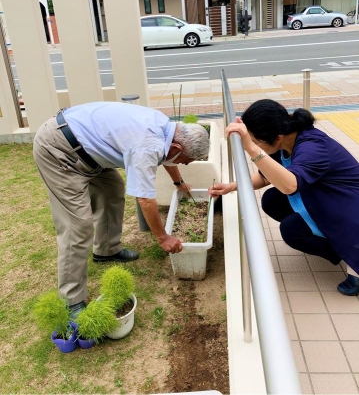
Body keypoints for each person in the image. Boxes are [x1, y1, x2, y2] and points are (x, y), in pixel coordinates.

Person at [33, 102, 210, 315]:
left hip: (86, 148)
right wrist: (163, 238)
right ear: (178, 148)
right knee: (77, 225)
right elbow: (145, 199)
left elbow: (167, 156)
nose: (183, 164)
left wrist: (178, 183)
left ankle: (107, 250)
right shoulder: (147, 144)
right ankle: (71, 300)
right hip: (59, 150)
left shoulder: (165, 128)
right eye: (185, 161)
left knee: (112, 188)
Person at [209, 99, 359, 296]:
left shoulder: (312, 148)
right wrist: (232, 186)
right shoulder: (285, 142)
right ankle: (334, 243)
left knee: (291, 230)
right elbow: (266, 177)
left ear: (276, 137)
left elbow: (289, 185)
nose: (254, 145)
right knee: (271, 200)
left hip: (347, 206)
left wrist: (252, 150)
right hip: (323, 196)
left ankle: (351, 257)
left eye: (256, 142)